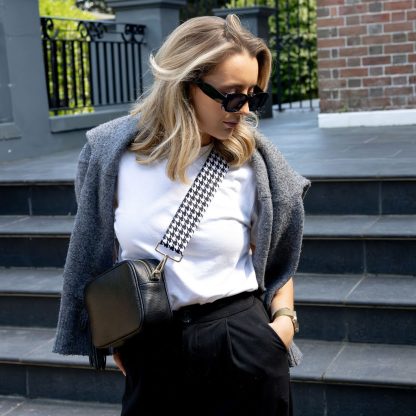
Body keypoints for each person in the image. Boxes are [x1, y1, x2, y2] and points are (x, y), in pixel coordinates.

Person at [53, 14, 310, 416]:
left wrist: (283, 324)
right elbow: (101, 244)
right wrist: (120, 336)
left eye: (252, 95)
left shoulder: (254, 164)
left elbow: (280, 257)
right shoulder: (112, 155)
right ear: (185, 84)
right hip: (152, 345)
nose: (243, 110)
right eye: (231, 95)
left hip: (241, 343)